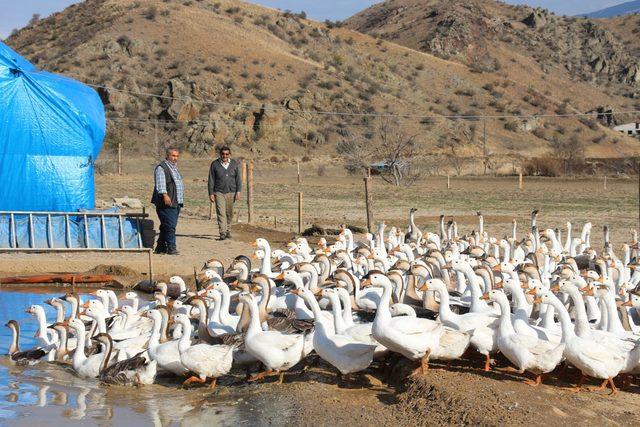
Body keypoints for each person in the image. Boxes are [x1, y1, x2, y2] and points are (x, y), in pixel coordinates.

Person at [151, 147, 184, 255]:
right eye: (173, 156)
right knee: (170, 226)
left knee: (166, 225)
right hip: (166, 202)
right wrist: (165, 195)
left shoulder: (174, 168)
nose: (175, 158)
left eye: (177, 156)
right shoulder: (162, 168)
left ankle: (160, 247)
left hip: (176, 201)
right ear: (168, 156)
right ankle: (171, 248)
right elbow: (160, 184)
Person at [208, 146, 241, 240]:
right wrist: (211, 193)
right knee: (221, 212)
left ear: (229, 154)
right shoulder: (215, 164)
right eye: (223, 154)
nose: (225, 156)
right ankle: (222, 232)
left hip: (231, 192)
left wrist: (238, 191)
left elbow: (238, 179)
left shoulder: (234, 164)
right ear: (220, 154)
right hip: (219, 192)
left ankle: (228, 231)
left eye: (227, 154)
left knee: (229, 213)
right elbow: (211, 179)